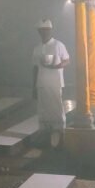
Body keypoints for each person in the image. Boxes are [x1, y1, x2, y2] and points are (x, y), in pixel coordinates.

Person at [32, 19, 71, 147]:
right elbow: (35, 67)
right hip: (41, 82)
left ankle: (60, 130)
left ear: (50, 31)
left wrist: (59, 65)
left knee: (56, 107)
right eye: (42, 31)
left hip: (55, 82)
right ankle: (44, 130)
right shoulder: (37, 48)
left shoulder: (58, 45)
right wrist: (34, 86)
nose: (45, 33)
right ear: (39, 32)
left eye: (47, 30)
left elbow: (67, 60)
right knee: (43, 108)